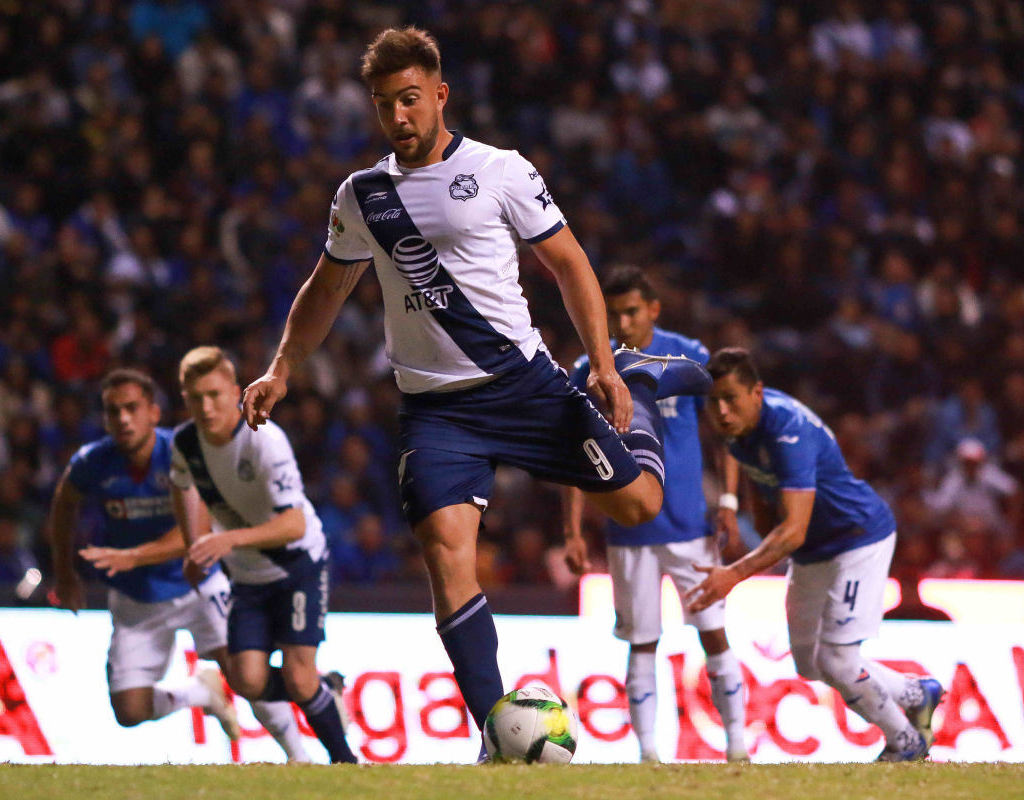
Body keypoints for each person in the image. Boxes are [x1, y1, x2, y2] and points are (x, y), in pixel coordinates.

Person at [240, 26, 711, 757]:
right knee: (445, 551)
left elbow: (570, 265)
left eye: (409, 99)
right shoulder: (362, 195)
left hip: (525, 386)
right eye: (383, 104)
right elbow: (326, 287)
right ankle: (498, 727)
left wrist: (606, 367)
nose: (398, 116)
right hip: (437, 410)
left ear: (440, 95)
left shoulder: (500, 170)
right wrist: (281, 368)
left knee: (641, 504)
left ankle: (644, 392)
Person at [686, 348, 942, 761]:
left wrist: (733, 573)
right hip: (813, 550)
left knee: (838, 661)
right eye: (713, 402)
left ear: (756, 392)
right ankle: (916, 693)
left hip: (856, 539)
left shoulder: (787, 430)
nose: (722, 411)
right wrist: (747, 516)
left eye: (730, 398)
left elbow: (793, 530)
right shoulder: (740, 429)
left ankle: (906, 743)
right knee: (810, 663)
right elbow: (761, 487)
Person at [49, 368, 312, 762]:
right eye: (113, 411)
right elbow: (63, 504)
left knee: (245, 676)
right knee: (129, 710)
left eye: (132, 408)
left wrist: (133, 556)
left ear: (154, 413)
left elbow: (198, 531)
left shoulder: (184, 452)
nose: (123, 418)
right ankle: (199, 693)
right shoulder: (92, 462)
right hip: (136, 598)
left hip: (199, 585)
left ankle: (299, 756)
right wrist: (64, 573)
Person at [562, 266, 747, 763]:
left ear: (654, 309)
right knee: (641, 642)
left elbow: (725, 430)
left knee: (714, 634)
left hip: (690, 526)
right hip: (628, 529)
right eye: (614, 313)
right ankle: (648, 755)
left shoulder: (688, 357)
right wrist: (572, 529)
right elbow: (574, 452)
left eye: (631, 311)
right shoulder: (591, 368)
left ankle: (738, 747)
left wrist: (729, 502)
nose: (623, 322)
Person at [169, 347, 356, 764]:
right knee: (247, 681)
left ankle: (345, 762)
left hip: (297, 566)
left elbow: (295, 525)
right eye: (196, 398)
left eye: (214, 395)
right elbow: (182, 486)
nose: (206, 406)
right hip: (248, 576)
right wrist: (194, 544)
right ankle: (325, 689)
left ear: (234, 392)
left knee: (298, 677)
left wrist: (228, 540)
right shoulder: (185, 443)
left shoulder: (264, 440)